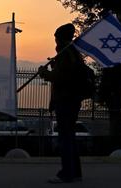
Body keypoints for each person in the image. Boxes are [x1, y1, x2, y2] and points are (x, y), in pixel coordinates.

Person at [38, 23, 85, 183]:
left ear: (60, 38)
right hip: (72, 99)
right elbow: (65, 73)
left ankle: (66, 174)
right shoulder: (73, 52)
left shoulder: (66, 53)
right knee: (69, 136)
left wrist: (44, 73)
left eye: (56, 38)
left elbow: (61, 78)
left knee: (65, 137)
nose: (55, 42)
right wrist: (55, 66)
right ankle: (75, 172)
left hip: (66, 100)